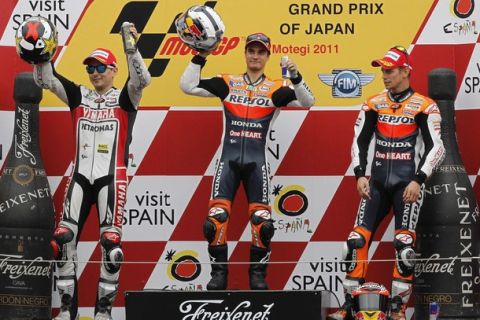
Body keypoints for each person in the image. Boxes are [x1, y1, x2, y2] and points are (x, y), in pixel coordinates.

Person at [33, 24, 151, 320]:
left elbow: (142, 78)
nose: (95, 72)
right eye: (90, 68)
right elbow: (46, 79)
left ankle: (103, 312)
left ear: (112, 70)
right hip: (80, 177)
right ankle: (66, 310)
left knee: (112, 247)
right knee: (61, 242)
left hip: (112, 178)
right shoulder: (78, 96)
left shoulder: (126, 98)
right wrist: (41, 53)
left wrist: (130, 47)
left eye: (100, 67)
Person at [180, 33, 315, 290]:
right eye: (251, 51)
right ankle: (219, 275)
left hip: (258, 162)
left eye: (261, 52)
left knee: (262, 222)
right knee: (215, 218)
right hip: (227, 161)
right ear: (245, 54)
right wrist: (201, 55)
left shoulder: (276, 88)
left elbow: (309, 102)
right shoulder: (227, 82)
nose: (255, 56)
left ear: (267, 57)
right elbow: (187, 86)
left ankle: (258, 276)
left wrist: (296, 76)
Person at [327, 46, 445, 320]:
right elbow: (360, 140)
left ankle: (398, 310)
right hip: (377, 184)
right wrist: (359, 174)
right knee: (355, 242)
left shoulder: (425, 106)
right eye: (382, 70)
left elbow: (436, 148)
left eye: (389, 70)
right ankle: (350, 306)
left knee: (404, 247)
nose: (384, 75)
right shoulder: (373, 103)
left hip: (408, 186)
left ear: (406, 71)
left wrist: (419, 179)